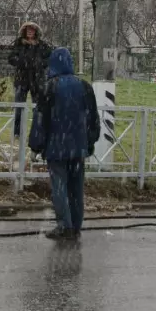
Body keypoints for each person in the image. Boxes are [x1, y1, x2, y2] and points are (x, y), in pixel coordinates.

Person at [29, 47, 100, 241]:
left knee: (59, 187)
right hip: (78, 146)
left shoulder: (49, 87)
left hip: (56, 146)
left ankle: (64, 226)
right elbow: (92, 117)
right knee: (76, 188)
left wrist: (36, 144)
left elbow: (40, 120)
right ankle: (76, 226)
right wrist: (91, 140)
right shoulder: (85, 86)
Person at [8, 22, 54, 139]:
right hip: (21, 78)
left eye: (32, 30)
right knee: (19, 106)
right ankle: (17, 132)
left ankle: (36, 131)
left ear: (36, 32)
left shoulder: (42, 45)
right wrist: (22, 62)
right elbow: (11, 58)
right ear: (24, 31)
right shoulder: (19, 44)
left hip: (37, 79)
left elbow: (50, 58)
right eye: (28, 30)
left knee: (37, 107)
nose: (30, 32)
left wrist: (39, 64)